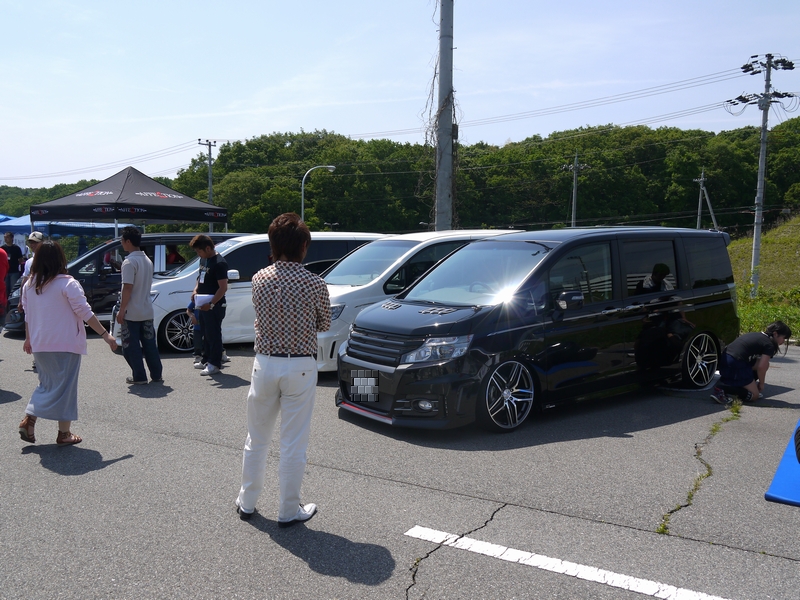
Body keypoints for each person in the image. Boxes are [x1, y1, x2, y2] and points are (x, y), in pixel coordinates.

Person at [235, 213, 331, 526]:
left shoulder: (259, 278)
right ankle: (288, 510)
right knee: (293, 443)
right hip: (300, 364)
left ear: (273, 245)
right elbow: (324, 324)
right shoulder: (315, 283)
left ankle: (247, 501)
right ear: (303, 246)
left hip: (264, 362)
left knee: (256, 437)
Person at [17, 241, 118, 446]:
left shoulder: (30, 285)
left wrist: (28, 338)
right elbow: (85, 312)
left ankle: (30, 420)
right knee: (65, 388)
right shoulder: (67, 283)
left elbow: (28, 314)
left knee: (47, 384)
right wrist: (105, 335)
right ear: (60, 259)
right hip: (65, 343)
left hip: (39, 343)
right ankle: (63, 433)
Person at [116, 226, 163, 385]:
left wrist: (122, 309)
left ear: (128, 241)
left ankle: (139, 376)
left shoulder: (129, 262)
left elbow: (127, 287)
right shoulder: (147, 260)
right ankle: (156, 374)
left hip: (132, 311)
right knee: (150, 344)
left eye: (122, 240)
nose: (121, 243)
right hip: (146, 309)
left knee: (130, 346)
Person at [711, 320, 792, 405]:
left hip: (725, 361)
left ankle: (740, 385)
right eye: (784, 338)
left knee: (765, 364)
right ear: (775, 334)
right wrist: (761, 384)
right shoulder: (769, 345)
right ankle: (723, 389)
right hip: (736, 364)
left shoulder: (758, 335)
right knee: (754, 395)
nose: (783, 341)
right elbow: (761, 367)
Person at [190, 234, 228, 376]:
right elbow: (200, 277)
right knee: (205, 333)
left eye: (199, 251)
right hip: (202, 303)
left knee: (213, 335)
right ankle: (206, 359)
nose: (198, 254)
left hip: (214, 305)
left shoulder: (219, 263)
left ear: (207, 248)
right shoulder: (204, 260)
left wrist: (211, 304)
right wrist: (195, 290)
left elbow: (223, 287)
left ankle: (215, 364)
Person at [3, 231, 24, 296]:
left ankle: (12, 301)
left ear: (12, 238)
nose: (5, 239)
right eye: (5, 237)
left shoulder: (16, 248)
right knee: (5, 288)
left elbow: (20, 259)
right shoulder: (2, 248)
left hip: (14, 271)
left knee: (13, 289)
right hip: (5, 272)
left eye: (7, 237)